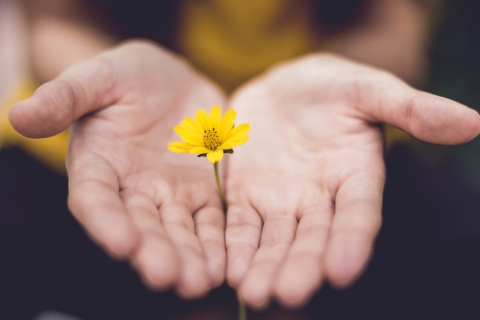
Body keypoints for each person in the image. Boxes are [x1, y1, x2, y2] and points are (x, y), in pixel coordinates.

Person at [3, 0, 480, 311]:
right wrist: (94, 75)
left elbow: (396, 22)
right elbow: (56, 17)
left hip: (325, 145)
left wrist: (349, 74)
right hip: (116, 143)